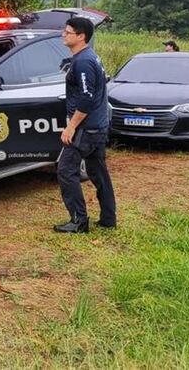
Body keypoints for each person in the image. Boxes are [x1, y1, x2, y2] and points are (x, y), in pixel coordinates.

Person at [56, 17, 117, 233]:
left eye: (68, 32)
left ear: (81, 36)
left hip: (86, 129)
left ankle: (79, 220)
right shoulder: (90, 58)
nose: (64, 35)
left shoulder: (83, 62)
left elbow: (87, 98)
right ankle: (109, 218)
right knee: (98, 171)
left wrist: (71, 126)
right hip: (98, 127)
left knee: (65, 170)